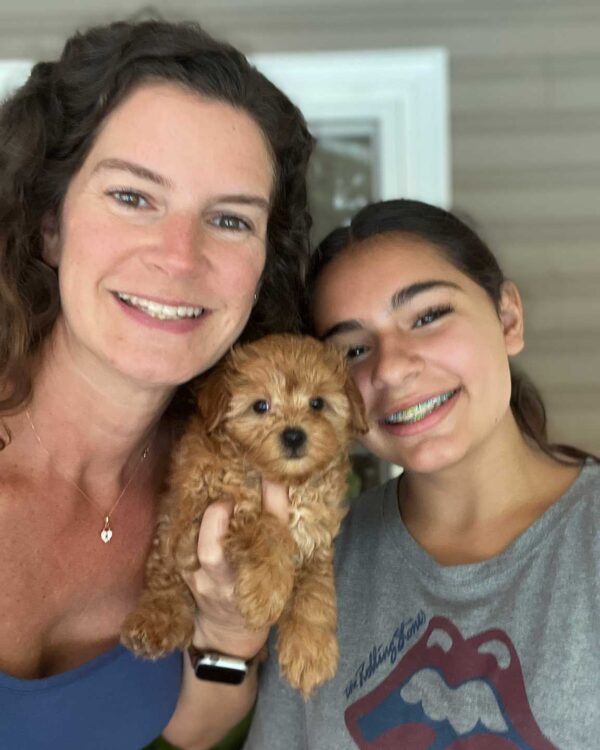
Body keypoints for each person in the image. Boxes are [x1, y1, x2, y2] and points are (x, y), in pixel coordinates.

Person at [0, 19, 313, 750]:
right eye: (133, 198)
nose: (180, 257)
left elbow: (191, 727)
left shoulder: (233, 492)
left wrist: (232, 635)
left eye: (230, 219)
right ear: (50, 223)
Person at [244, 199, 600, 750]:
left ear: (508, 317)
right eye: (353, 349)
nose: (389, 366)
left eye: (428, 316)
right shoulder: (319, 564)